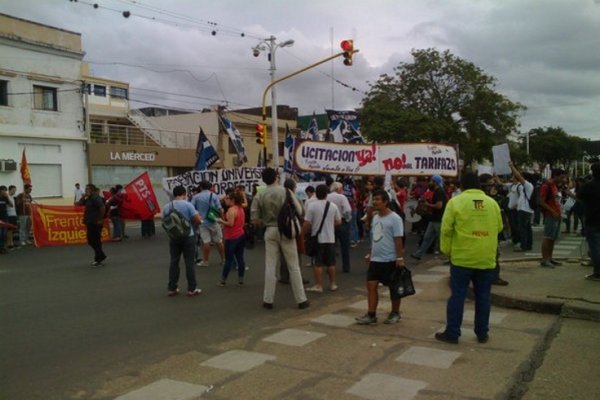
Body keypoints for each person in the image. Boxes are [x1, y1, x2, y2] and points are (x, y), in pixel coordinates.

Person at [435, 172, 503, 344]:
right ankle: (482, 333)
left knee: (458, 295)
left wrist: (447, 251)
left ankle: (452, 333)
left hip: (462, 258)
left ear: (462, 186)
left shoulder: (455, 202)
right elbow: (500, 227)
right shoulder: (492, 203)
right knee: (483, 296)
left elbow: (446, 230)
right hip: (486, 258)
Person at [251, 168, 309, 310]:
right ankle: (301, 300)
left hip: (270, 230)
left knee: (270, 266)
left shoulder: (260, 194)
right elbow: (300, 210)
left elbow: (254, 218)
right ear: (277, 177)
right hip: (287, 230)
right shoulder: (286, 191)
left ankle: (268, 300)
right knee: (293, 266)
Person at [355, 189, 405, 325]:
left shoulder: (395, 218)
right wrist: (371, 253)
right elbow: (375, 238)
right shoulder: (375, 217)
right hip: (375, 260)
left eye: (378, 200)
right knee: (371, 285)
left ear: (386, 202)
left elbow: (398, 239)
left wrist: (399, 258)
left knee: (394, 288)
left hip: (390, 259)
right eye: (374, 199)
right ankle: (371, 314)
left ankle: (395, 313)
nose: (375, 202)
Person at [162, 185, 203, 297]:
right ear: (184, 194)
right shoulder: (188, 205)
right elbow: (198, 220)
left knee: (174, 262)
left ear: (174, 194)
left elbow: (164, 221)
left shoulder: (166, 206)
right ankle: (192, 288)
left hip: (174, 237)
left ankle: (172, 288)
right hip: (188, 236)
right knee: (189, 263)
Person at [303, 184, 342, 293]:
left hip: (318, 238)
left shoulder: (312, 205)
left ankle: (319, 285)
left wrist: (302, 234)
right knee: (331, 263)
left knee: (318, 263)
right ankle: (333, 284)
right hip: (330, 238)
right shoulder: (333, 206)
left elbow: (307, 223)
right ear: (326, 194)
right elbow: (339, 221)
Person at [410, 175, 446, 261]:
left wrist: (427, 204)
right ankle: (419, 254)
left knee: (442, 239)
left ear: (435, 182)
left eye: (431, 181)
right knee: (427, 238)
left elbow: (439, 206)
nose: (429, 183)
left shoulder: (439, 191)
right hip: (433, 219)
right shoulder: (436, 191)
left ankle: (449, 256)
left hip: (438, 219)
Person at [192, 181, 225, 267]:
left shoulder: (196, 197)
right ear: (209, 187)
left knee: (206, 242)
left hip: (202, 222)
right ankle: (223, 259)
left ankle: (206, 261)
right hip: (214, 220)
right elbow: (220, 209)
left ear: (201, 187)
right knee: (219, 241)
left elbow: (192, 209)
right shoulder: (213, 195)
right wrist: (222, 220)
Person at [217, 191, 246, 286]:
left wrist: (220, 220)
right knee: (240, 258)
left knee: (228, 259)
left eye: (227, 198)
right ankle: (241, 279)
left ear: (232, 200)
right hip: (240, 235)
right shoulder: (240, 208)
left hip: (231, 237)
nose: (225, 200)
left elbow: (230, 224)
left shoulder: (231, 210)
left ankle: (223, 280)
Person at [539, 169, 567, 268]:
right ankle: (545, 259)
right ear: (555, 175)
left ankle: (550, 258)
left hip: (557, 214)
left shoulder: (554, 186)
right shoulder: (546, 186)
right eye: (562, 177)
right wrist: (552, 211)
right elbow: (541, 201)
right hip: (551, 215)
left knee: (553, 238)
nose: (563, 179)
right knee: (548, 237)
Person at [577, 163, 600, 281]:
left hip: (592, 219)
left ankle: (598, 273)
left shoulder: (589, 186)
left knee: (595, 247)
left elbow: (579, 196)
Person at [78, 184, 107, 267]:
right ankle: (100, 256)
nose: (86, 190)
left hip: (96, 222)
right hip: (90, 222)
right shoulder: (89, 198)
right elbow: (79, 204)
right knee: (91, 240)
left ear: (92, 190)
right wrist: (84, 196)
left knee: (95, 240)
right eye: (86, 189)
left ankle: (99, 258)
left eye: (87, 189)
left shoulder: (95, 198)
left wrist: (100, 219)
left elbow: (102, 207)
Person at [509, 162, 534, 252]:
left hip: (524, 210)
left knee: (522, 228)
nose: (521, 178)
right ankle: (528, 245)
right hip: (526, 209)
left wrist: (512, 166)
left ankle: (524, 246)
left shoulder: (528, 185)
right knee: (527, 228)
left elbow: (518, 176)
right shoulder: (529, 186)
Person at [327, 181, 352, 273]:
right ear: (338, 189)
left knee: (331, 246)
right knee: (344, 246)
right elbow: (347, 210)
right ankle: (346, 267)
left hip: (330, 223)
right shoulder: (342, 197)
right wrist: (347, 219)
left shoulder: (327, 197)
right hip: (342, 222)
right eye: (341, 189)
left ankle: (330, 266)